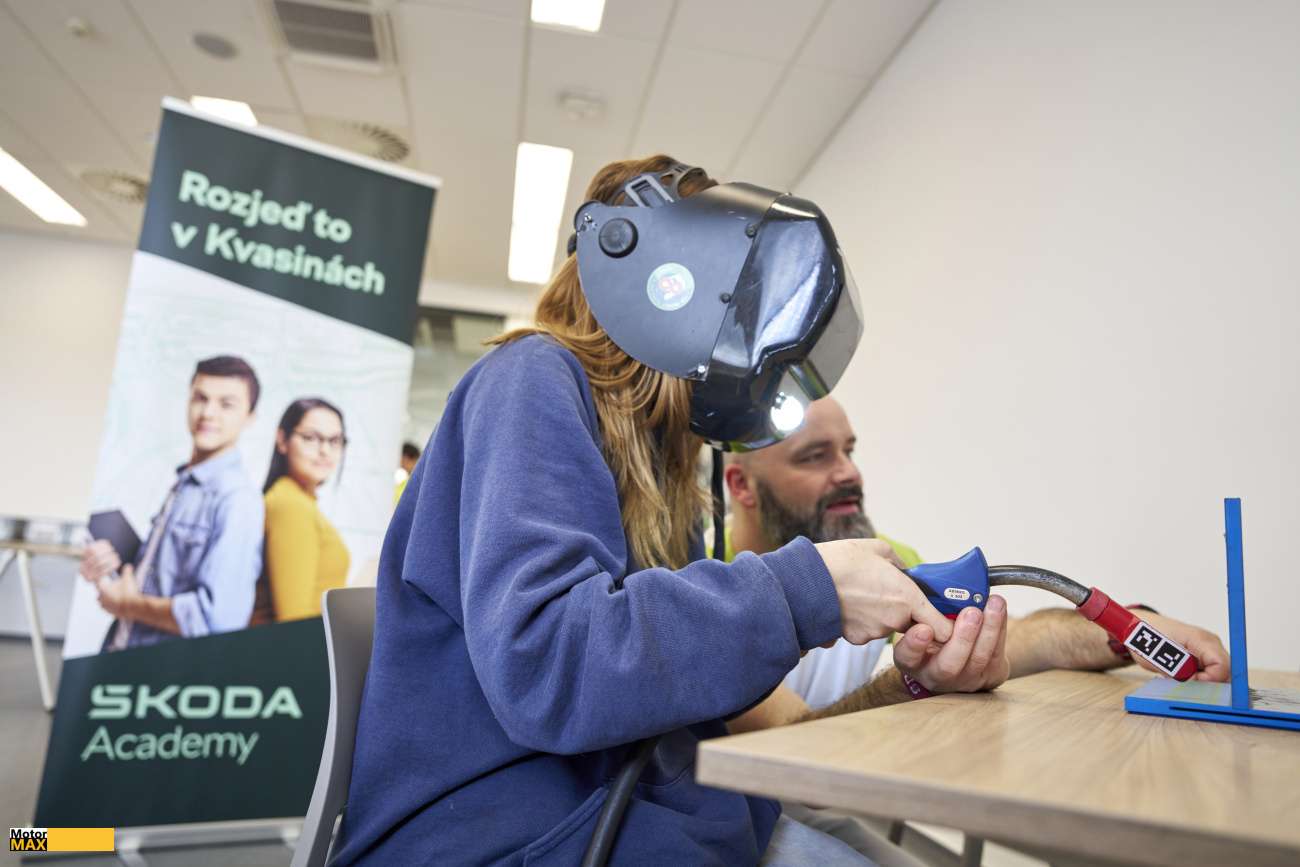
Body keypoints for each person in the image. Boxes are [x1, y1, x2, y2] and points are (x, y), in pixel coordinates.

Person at [332, 157, 971, 866]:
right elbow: (548, 663)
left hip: (633, 813)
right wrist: (808, 587)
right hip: (503, 837)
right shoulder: (530, 378)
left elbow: (670, 683)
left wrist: (910, 677)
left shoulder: (665, 460)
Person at [724, 395, 1230, 729]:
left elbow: (1002, 640)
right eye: (815, 456)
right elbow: (790, 744)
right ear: (741, 485)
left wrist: (1130, 631)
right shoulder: (706, 586)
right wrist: (911, 684)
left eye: (849, 451)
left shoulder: (884, 560)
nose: (849, 474)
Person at [80, 355, 265, 650]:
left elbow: (216, 619)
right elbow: (162, 578)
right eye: (200, 398)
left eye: (226, 404)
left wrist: (128, 605)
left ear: (250, 417)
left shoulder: (237, 499)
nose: (208, 413)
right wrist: (110, 568)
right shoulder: (184, 483)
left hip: (165, 670)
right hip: (120, 650)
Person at [249, 398, 351, 624]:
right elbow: (294, 621)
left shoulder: (299, 501)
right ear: (282, 439)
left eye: (335, 441)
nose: (325, 450)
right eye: (311, 438)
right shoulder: (290, 505)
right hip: (296, 644)